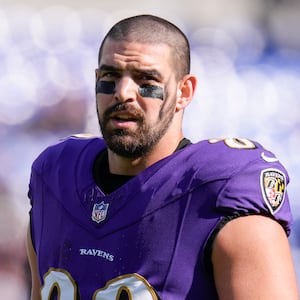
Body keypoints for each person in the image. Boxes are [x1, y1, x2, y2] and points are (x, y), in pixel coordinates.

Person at [26, 14, 299, 299]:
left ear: (184, 91)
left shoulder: (220, 189)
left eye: (146, 79)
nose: (123, 93)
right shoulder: (56, 175)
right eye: (110, 76)